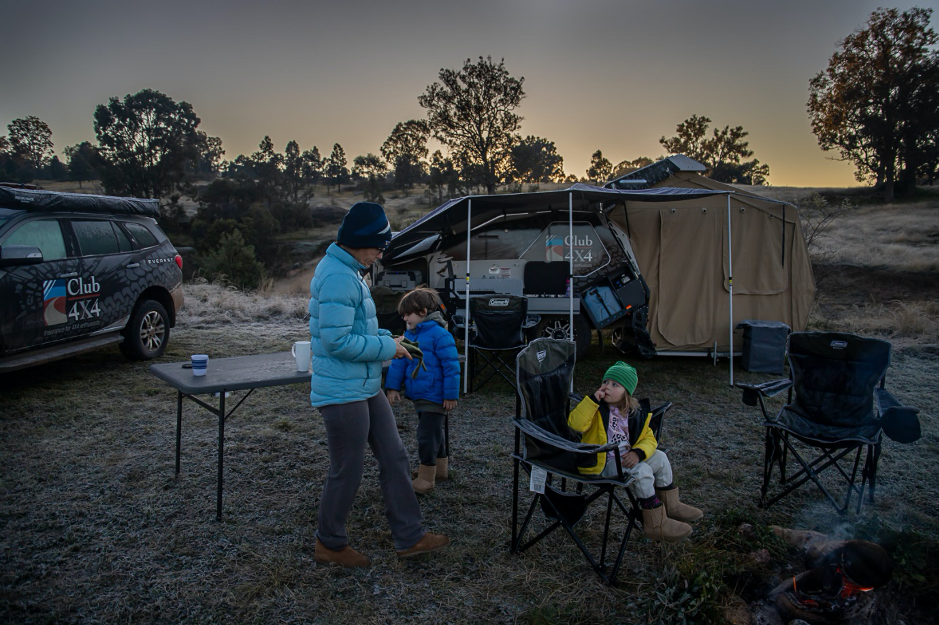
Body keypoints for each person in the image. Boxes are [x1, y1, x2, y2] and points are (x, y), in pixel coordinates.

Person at [308, 201, 449, 568]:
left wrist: (389, 338)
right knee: (347, 468)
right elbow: (336, 342)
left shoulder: (351, 271)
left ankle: (410, 536)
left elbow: (357, 329)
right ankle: (329, 543)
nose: (381, 254)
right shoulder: (338, 276)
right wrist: (388, 348)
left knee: (394, 455)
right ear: (360, 240)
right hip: (342, 390)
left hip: (364, 384)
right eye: (378, 246)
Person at [567, 361, 703, 542]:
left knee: (661, 457)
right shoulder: (596, 409)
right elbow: (575, 424)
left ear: (627, 392)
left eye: (615, 384)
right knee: (641, 471)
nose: (607, 387)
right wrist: (592, 401)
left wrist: (638, 453)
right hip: (602, 463)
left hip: (627, 458)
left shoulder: (633, 413)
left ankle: (671, 506)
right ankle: (655, 524)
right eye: (605, 382)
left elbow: (649, 439)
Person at [385, 287, 461, 494]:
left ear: (422, 312)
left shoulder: (440, 335)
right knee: (434, 433)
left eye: (407, 314)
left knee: (426, 435)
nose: (404, 318)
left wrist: (450, 395)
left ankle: (427, 478)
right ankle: (440, 470)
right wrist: (393, 387)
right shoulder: (409, 334)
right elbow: (399, 363)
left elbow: (451, 366)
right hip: (421, 394)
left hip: (435, 396)